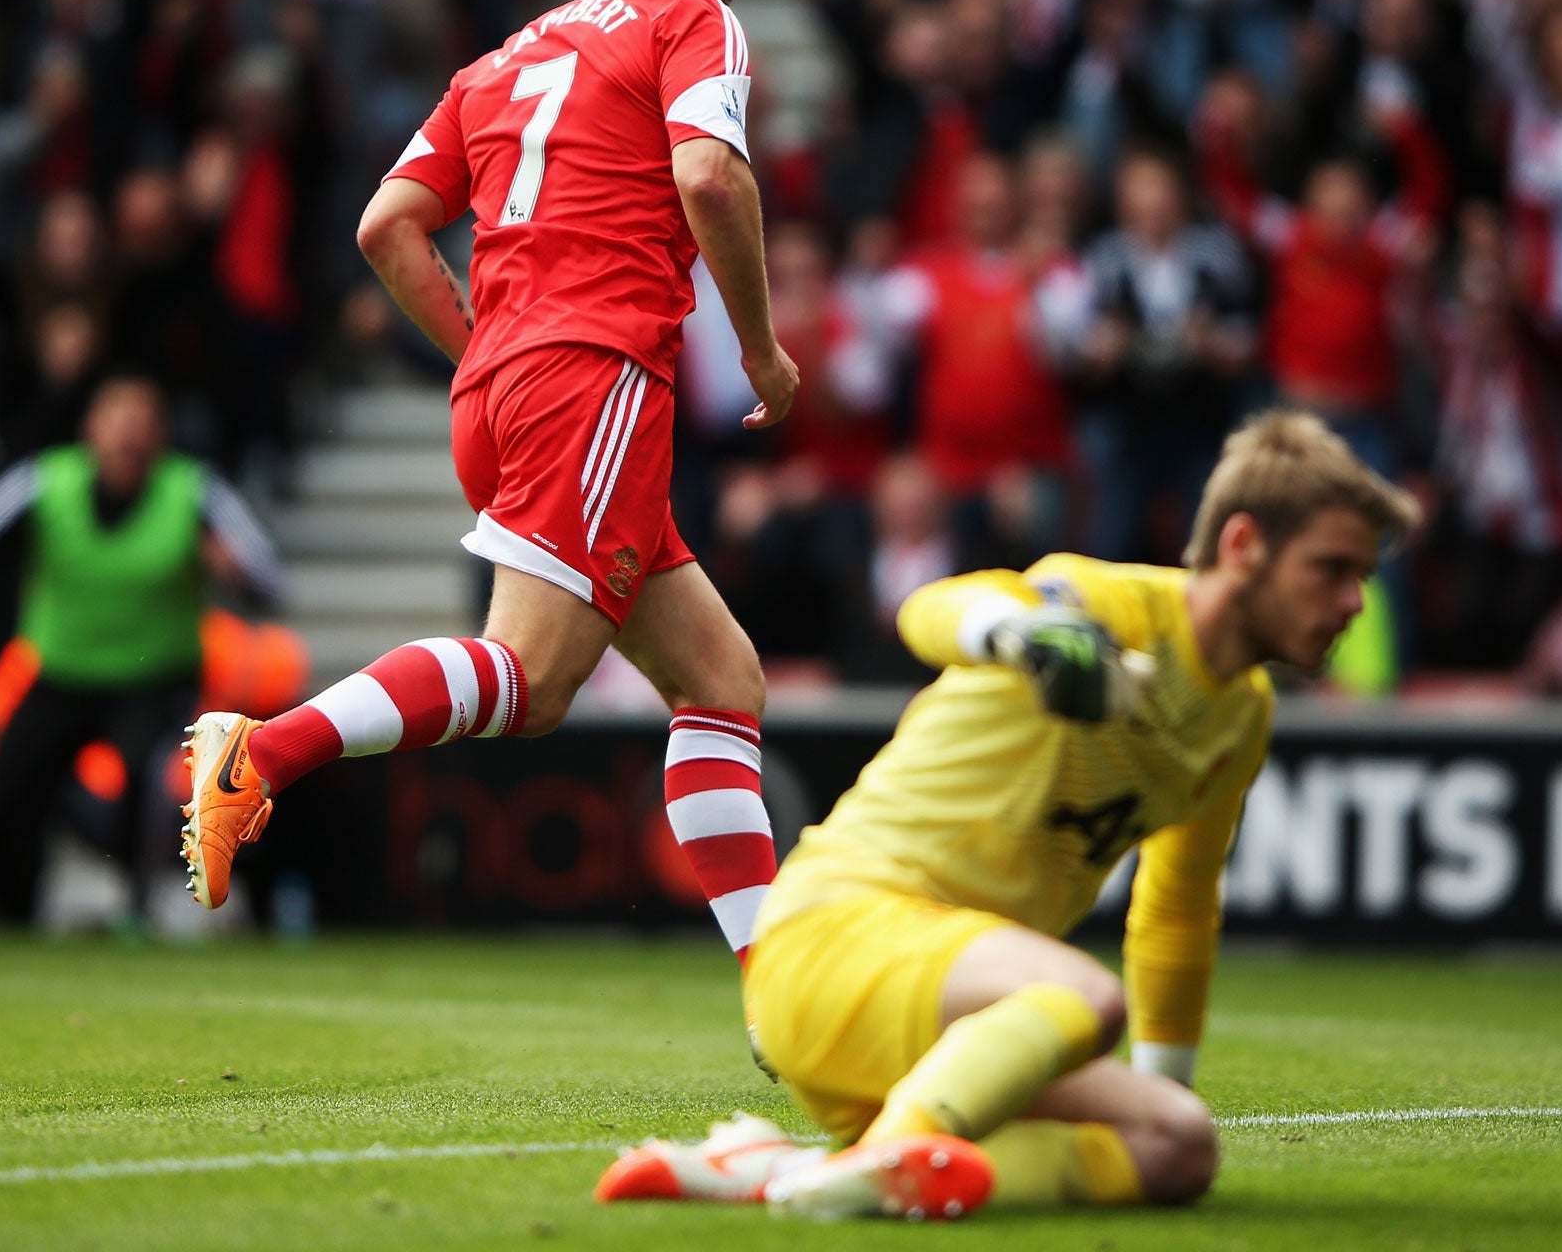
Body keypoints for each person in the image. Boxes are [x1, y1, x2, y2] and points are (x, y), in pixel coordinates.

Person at [181, 0, 799, 980]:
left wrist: (488, 353)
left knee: (720, 681)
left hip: (509, 385)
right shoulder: (691, 19)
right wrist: (760, 352)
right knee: (528, 679)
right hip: (595, 374)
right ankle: (262, 753)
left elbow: (386, 229)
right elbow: (709, 176)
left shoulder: (503, 58)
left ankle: (777, 986)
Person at [596, 412, 1418, 1220]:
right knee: (1088, 998)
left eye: (1363, 575)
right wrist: (1024, 633)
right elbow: (931, 610)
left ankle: (781, 1169)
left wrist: (1155, 1090)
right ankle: (894, 1155)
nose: (1353, 601)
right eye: (1331, 569)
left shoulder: (1240, 716)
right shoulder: (1108, 607)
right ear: (1243, 546)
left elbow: (1177, 909)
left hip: (949, 1024)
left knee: (1177, 1143)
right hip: (836, 935)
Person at [0, 375, 281, 920]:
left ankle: (137, 912)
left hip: (155, 681)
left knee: (141, 781)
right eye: (116, 420)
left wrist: (237, 573)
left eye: (141, 422)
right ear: (90, 429)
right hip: (59, 677)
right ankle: (13, 915)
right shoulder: (45, 480)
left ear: (161, 435)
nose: (127, 436)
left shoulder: (195, 490)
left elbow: (272, 580)